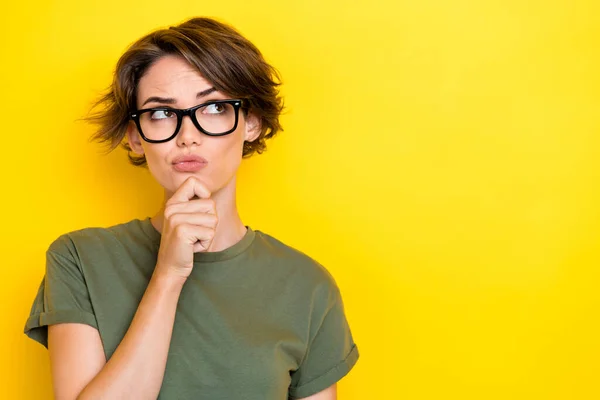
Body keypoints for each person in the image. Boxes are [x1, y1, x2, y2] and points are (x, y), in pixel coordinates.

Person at [23, 17, 359, 400]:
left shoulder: (307, 286)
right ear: (135, 136)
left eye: (214, 107)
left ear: (250, 122)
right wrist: (168, 275)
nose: (187, 136)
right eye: (162, 113)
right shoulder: (79, 259)